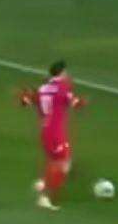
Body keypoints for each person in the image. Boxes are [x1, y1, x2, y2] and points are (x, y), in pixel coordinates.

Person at [17, 60, 87, 211]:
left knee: (61, 161)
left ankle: (42, 183)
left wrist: (23, 96)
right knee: (61, 164)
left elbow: (25, 101)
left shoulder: (42, 88)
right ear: (62, 72)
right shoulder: (62, 86)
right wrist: (83, 102)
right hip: (56, 131)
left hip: (46, 129)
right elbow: (73, 102)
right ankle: (44, 197)